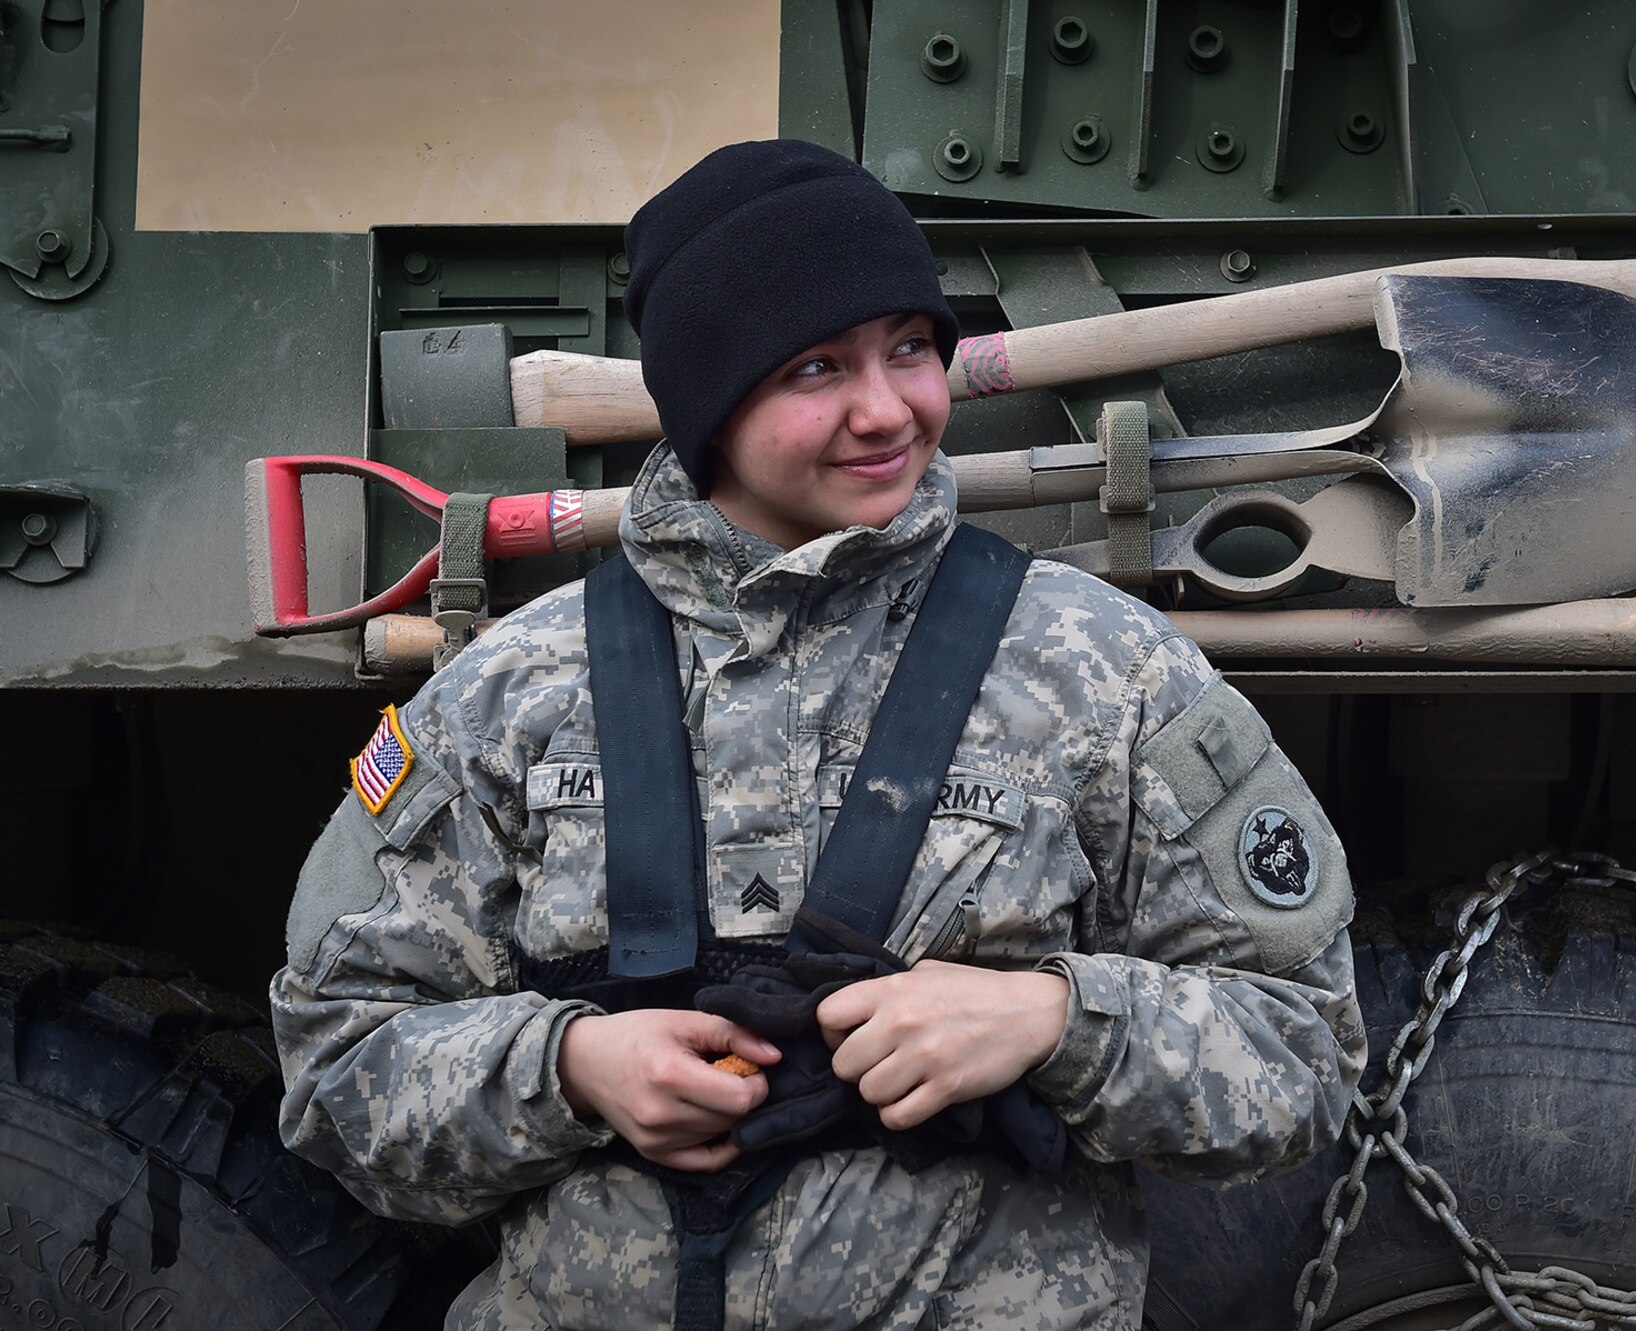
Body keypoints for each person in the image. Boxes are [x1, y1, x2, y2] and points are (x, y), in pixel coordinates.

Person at [272, 138, 1367, 1331]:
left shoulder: (1103, 666)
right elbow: (335, 1063)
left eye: (908, 347)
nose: (885, 407)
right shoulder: (512, 691)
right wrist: (569, 1070)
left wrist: (1052, 1018)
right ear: (709, 398)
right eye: (814, 367)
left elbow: (1304, 1051)